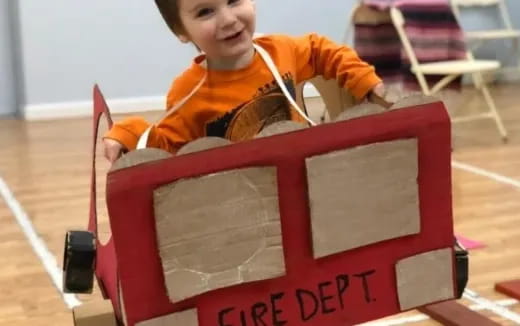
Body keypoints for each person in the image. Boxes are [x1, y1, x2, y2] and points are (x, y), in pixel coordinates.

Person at [103, 0, 390, 163]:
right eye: (205, 11)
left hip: (304, 175)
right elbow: (168, 145)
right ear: (181, 31)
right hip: (247, 199)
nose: (228, 19)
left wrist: (363, 79)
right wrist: (128, 132)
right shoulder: (187, 91)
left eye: (234, 1)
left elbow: (322, 51)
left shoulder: (281, 51)